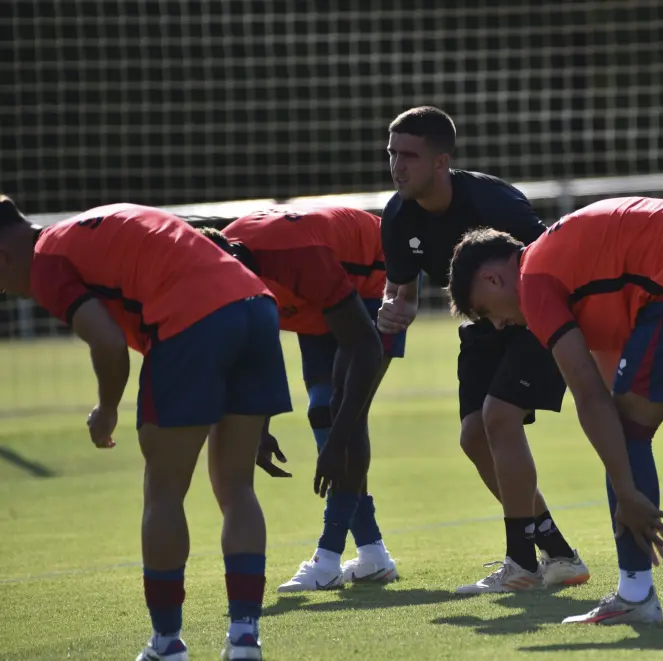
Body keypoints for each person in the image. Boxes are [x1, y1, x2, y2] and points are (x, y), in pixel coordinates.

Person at [447, 196, 663, 624]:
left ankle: (635, 593)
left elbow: (589, 395)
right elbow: (607, 385)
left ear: (494, 280)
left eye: (487, 313)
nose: (498, 324)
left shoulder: (533, 279)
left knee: (626, 433)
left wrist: (626, 491)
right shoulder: (579, 267)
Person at [0, 198, 293, 661]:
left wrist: (107, 408)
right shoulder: (83, 228)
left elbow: (109, 341)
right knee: (236, 487)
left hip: (192, 320)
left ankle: (167, 643)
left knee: (164, 491)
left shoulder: (45, 263)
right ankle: (243, 638)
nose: (8, 290)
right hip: (256, 307)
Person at [376, 106, 589, 593]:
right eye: (391, 154)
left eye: (408, 155)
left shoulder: (494, 201)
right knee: (474, 437)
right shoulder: (397, 216)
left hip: (534, 316)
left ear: (440, 161)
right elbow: (400, 293)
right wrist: (394, 310)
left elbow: (548, 264)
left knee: (498, 417)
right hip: (480, 329)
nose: (396, 165)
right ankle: (556, 552)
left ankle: (520, 563)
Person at [200, 203, 404, 591]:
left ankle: (327, 559)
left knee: (343, 411)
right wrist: (260, 425)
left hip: (373, 280)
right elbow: (256, 345)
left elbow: (364, 347)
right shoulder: (223, 267)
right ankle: (373, 555)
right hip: (320, 299)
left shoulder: (298, 261)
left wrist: (338, 442)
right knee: (322, 413)